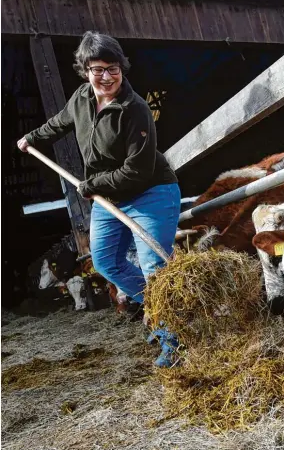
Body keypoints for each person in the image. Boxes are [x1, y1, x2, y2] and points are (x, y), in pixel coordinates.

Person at [17, 31, 180, 367]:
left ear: (122, 68)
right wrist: (30, 138)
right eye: (97, 69)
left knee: (153, 267)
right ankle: (158, 307)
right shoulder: (80, 99)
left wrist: (94, 184)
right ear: (85, 70)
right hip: (107, 195)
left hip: (150, 192)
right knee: (105, 261)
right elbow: (58, 124)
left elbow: (137, 170)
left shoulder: (134, 110)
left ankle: (174, 339)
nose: (106, 76)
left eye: (113, 68)